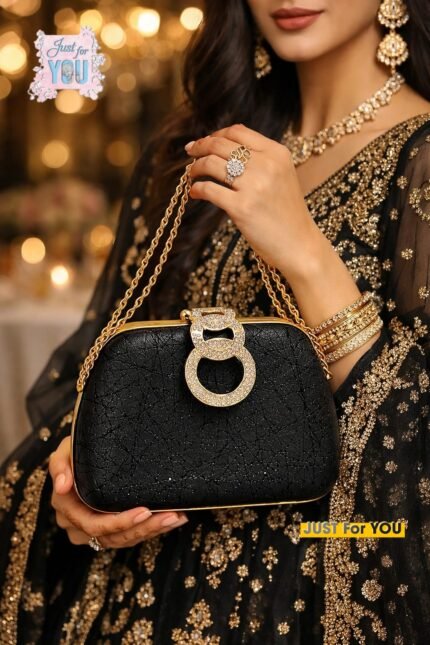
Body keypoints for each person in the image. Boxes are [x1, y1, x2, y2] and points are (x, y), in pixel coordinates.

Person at [1, 0, 429, 642]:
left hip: (307, 598)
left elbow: (414, 443)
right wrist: (79, 477)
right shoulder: (191, 152)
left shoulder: (422, 162)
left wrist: (306, 255)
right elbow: (106, 371)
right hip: (146, 586)